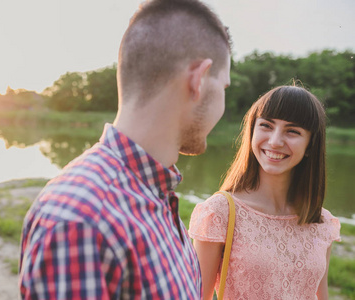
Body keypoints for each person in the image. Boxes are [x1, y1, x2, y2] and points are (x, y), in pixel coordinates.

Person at [19, 0, 231, 298]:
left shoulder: (156, 194)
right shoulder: (79, 221)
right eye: (223, 88)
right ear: (198, 80)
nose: (223, 104)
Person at [189, 85, 341, 300]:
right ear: (252, 131)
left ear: (310, 145)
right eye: (266, 126)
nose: (275, 141)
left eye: (292, 131)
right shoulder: (219, 212)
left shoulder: (322, 221)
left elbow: (320, 296)